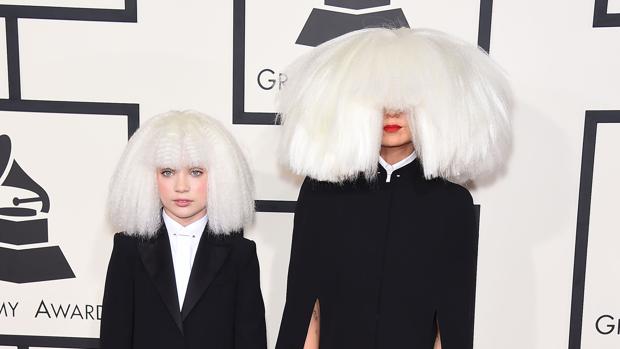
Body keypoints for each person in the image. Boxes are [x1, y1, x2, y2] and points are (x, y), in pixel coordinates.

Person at [275, 28, 512, 349]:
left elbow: (453, 321)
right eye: (379, 99)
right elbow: (306, 309)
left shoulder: (451, 205)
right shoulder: (322, 194)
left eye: (406, 101)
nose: (393, 113)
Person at [100, 110, 266, 349]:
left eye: (196, 172)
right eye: (168, 172)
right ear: (148, 177)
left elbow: (250, 340)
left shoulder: (240, 254)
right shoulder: (128, 249)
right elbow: (114, 337)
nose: (181, 186)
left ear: (220, 176)